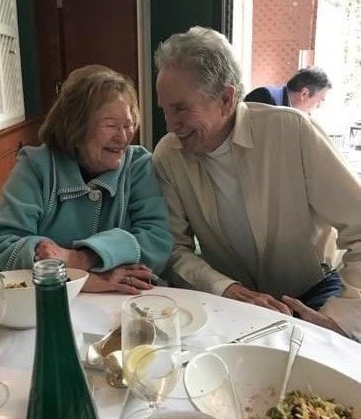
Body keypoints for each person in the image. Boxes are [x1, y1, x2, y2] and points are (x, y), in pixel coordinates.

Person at [153, 26, 361, 341]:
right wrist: (226, 289)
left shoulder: (292, 132)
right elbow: (173, 249)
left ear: (226, 99)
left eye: (181, 108)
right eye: (165, 110)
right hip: (236, 301)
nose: (170, 125)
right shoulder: (168, 155)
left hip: (317, 291)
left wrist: (340, 318)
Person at [0, 65, 173, 294]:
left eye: (128, 125)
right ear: (76, 127)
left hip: (125, 298)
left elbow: (157, 239)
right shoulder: (37, 165)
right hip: (48, 298)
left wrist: (82, 258)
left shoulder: (137, 165)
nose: (123, 137)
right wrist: (83, 280)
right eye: (110, 125)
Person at [244, 66, 332, 115]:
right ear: (304, 93)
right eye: (320, 100)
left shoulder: (300, 117)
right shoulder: (264, 97)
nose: (319, 106)